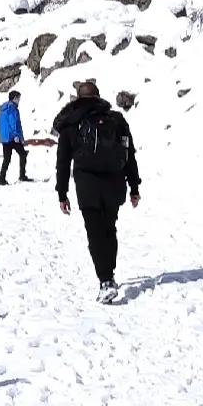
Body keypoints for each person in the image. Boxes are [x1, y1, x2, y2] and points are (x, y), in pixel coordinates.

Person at [52, 78, 140, 303]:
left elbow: (63, 162)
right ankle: (109, 274)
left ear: (78, 98)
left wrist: (62, 193)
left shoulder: (71, 123)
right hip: (115, 183)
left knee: (95, 232)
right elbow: (129, 154)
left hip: (87, 186)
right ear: (98, 97)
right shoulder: (116, 119)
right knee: (109, 229)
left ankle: (105, 280)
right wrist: (134, 187)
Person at [0, 90, 30, 185]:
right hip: (12, 138)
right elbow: (13, 123)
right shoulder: (12, 108)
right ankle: (22, 176)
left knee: (6, 159)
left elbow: (1, 124)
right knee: (23, 154)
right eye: (18, 98)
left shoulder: (4, 109)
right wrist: (17, 136)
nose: (19, 100)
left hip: (5, 138)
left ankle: (2, 179)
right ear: (14, 98)